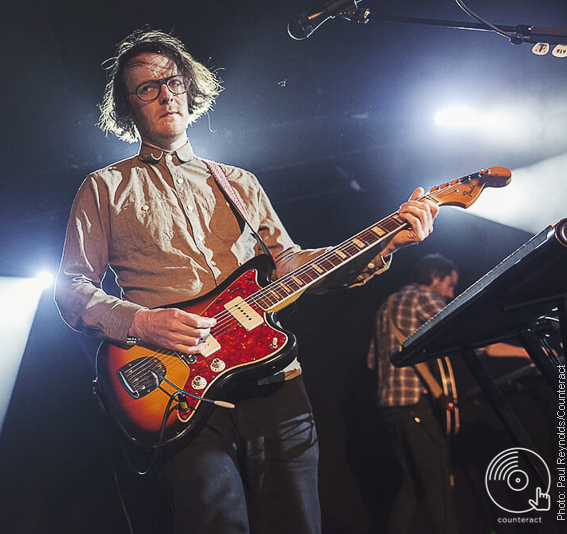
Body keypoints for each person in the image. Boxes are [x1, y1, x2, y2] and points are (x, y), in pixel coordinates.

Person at [55, 29, 439, 534]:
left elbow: (289, 264)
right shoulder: (104, 187)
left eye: (172, 82)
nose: (165, 93)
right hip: (179, 391)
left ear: (190, 90)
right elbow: (71, 288)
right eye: (147, 88)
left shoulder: (238, 183)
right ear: (128, 109)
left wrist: (384, 242)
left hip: (275, 383)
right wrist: (142, 323)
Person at [367, 253, 460, 534]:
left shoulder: (387, 305)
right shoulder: (424, 298)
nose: (451, 294)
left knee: (412, 485)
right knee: (439, 487)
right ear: (435, 277)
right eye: (450, 286)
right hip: (414, 408)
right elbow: (463, 335)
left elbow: (372, 361)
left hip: (389, 410)